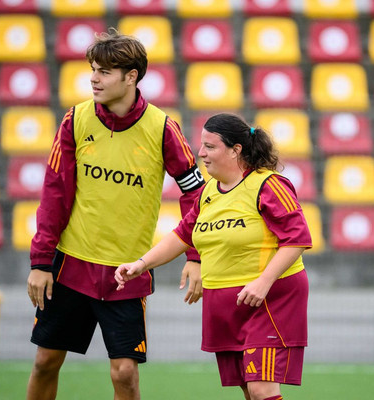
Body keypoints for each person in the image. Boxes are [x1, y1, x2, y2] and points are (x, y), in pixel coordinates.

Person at [26, 28, 205, 400]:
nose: (94, 78)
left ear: (131, 76)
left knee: (124, 373)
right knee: (45, 361)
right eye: (93, 69)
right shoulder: (75, 120)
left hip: (127, 272)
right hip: (70, 265)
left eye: (104, 72)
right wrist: (41, 262)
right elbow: (54, 193)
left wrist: (195, 255)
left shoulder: (163, 129)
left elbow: (196, 194)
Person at [115, 113, 312, 400]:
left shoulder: (269, 185)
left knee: (261, 389)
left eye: (210, 146)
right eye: (202, 145)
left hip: (269, 299)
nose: (201, 153)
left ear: (235, 150)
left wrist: (264, 282)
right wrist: (141, 264)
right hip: (226, 303)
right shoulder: (208, 191)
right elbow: (182, 235)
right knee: (249, 389)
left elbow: (298, 239)